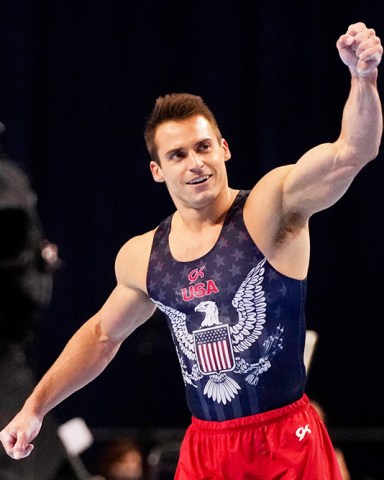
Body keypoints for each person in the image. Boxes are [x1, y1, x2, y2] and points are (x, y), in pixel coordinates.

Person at [0, 22, 382, 479]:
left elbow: (351, 151)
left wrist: (363, 78)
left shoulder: (270, 208)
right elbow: (102, 336)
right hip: (206, 448)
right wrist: (34, 408)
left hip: (285, 441)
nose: (195, 163)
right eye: (177, 155)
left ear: (224, 149)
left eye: (203, 147)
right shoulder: (145, 256)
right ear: (158, 171)